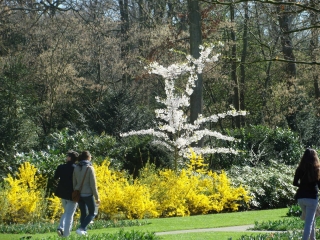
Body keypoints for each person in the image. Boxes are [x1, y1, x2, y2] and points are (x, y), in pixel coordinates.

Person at [293, 148, 320, 240]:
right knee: (309, 222)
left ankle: (313, 238)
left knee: (311, 220)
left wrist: (303, 185)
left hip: (301, 198)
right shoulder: (317, 169)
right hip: (312, 198)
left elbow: (295, 183)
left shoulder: (300, 169)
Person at [73, 150, 100, 236]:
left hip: (78, 194)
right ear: (88, 157)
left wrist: (76, 191)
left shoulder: (76, 167)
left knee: (83, 213)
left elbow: (74, 182)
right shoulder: (90, 168)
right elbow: (93, 185)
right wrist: (97, 197)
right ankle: (81, 228)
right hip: (87, 194)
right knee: (92, 213)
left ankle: (83, 231)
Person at [53, 150, 79, 237]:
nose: (66, 157)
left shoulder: (61, 167)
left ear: (70, 158)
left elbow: (55, 177)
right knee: (69, 214)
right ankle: (65, 234)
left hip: (62, 193)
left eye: (67, 156)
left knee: (67, 211)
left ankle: (61, 228)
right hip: (72, 194)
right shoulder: (76, 168)